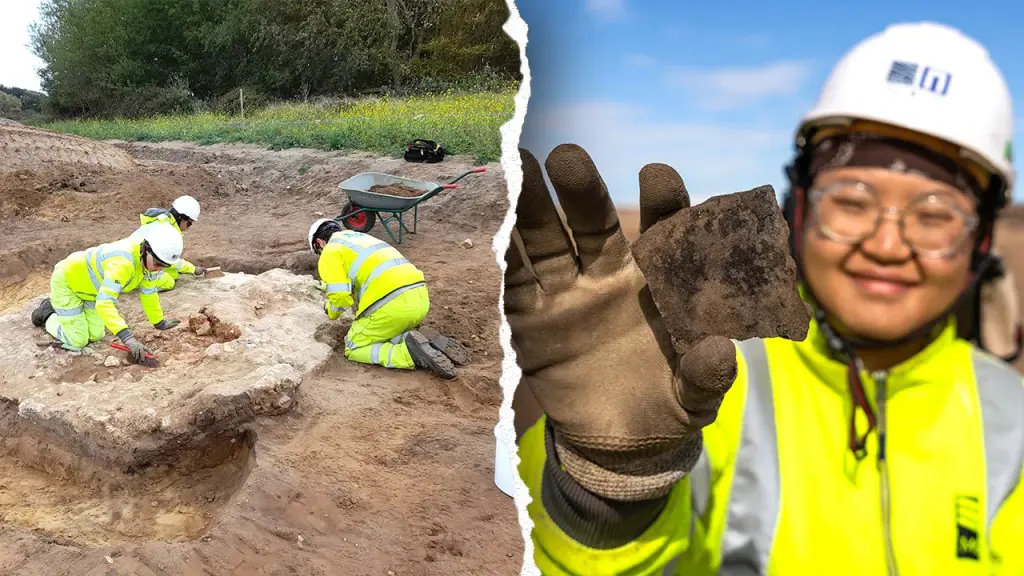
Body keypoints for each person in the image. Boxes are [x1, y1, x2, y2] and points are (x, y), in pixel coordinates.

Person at [506, 21, 1024, 575]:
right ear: (797, 207)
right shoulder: (704, 380)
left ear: (981, 240)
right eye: (852, 200)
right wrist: (604, 489)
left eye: (935, 215)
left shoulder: (1012, 425)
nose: (887, 245)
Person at [307, 218, 470, 379]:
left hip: (391, 306)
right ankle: (421, 340)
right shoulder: (360, 239)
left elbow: (341, 297)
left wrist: (331, 312)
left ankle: (407, 354)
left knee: (354, 346)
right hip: (419, 300)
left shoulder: (330, 251)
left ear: (320, 243)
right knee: (382, 332)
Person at [30, 222, 185, 366]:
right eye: (157, 264)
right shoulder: (122, 263)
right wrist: (128, 339)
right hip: (68, 283)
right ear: (146, 249)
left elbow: (149, 293)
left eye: (164, 266)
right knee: (78, 341)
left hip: (91, 292)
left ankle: (66, 313)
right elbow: (105, 303)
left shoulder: (149, 264)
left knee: (96, 335)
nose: (159, 269)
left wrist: (159, 322)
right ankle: (48, 312)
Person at [129, 194, 206, 292]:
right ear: (181, 218)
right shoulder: (166, 229)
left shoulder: (164, 222)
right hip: (135, 264)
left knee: (172, 272)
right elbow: (171, 261)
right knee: (168, 282)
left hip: (139, 258)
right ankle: (135, 283)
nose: (189, 227)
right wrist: (192, 269)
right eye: (189, 223)